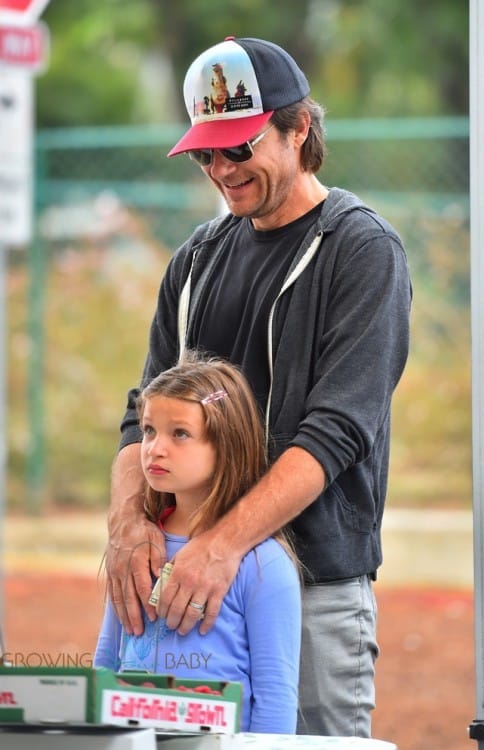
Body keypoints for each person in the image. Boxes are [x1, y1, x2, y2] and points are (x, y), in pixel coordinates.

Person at [105, 36, 412, 738]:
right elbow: (140, 417)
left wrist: (224, 546)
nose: (220, 168)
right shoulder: (198, 256)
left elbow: (335, 431)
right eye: (205, 153)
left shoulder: (360, 251)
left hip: (306, 588)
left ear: (299, 127)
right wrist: (127, 524)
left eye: (238, 148)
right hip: (187, 584)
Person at [95, 352, 302, 734]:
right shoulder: (134, 551)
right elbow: (106, 665)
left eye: (180, 434)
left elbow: (276, 696)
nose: (154, 449)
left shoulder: (263, 565)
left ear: (226, 444)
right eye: (149, 430)